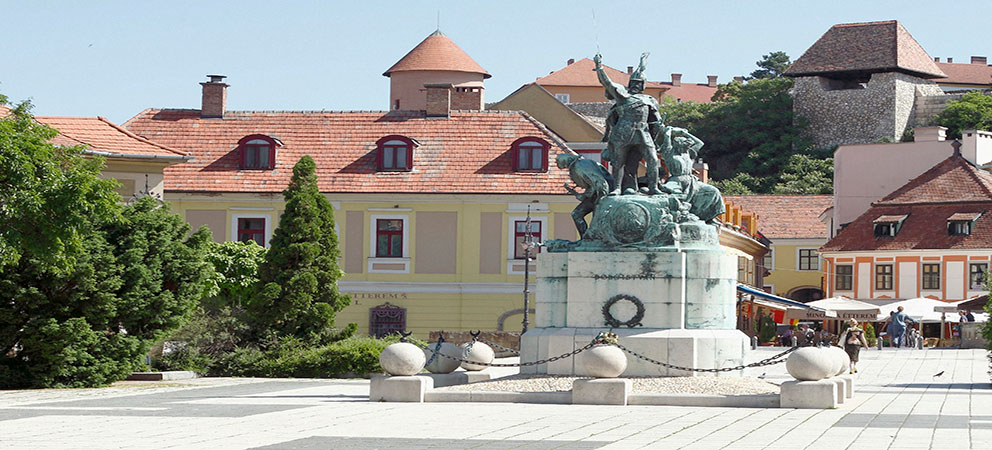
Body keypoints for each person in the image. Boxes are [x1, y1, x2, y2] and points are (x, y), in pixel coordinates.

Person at [593, 52, 663, 195]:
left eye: (639, 83)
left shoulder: (650, 100)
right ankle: (617, 188)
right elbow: (607, 83)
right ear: (630, 83)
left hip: (643, 133)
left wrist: (659, 130)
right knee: (619, 162)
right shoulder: (623, 96)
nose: (636, 85)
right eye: (634, 82)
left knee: (653, 159)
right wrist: (599, 67)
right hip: (623, 133)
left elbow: (655, 121)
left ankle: (654, 187)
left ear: (643, 85)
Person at [557, 153, 615, 237]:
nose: (557, 164)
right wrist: (580, 194)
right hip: (597, 194)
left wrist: (602, 201)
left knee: (578, 215)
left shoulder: (579, 166)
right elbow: (592, 186)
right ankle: (586, 238)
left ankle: (587, 238)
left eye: (559, 162)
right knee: (577, 214)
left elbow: (600, 182)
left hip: (602, 194)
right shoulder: (580, 164)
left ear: (566, 161)